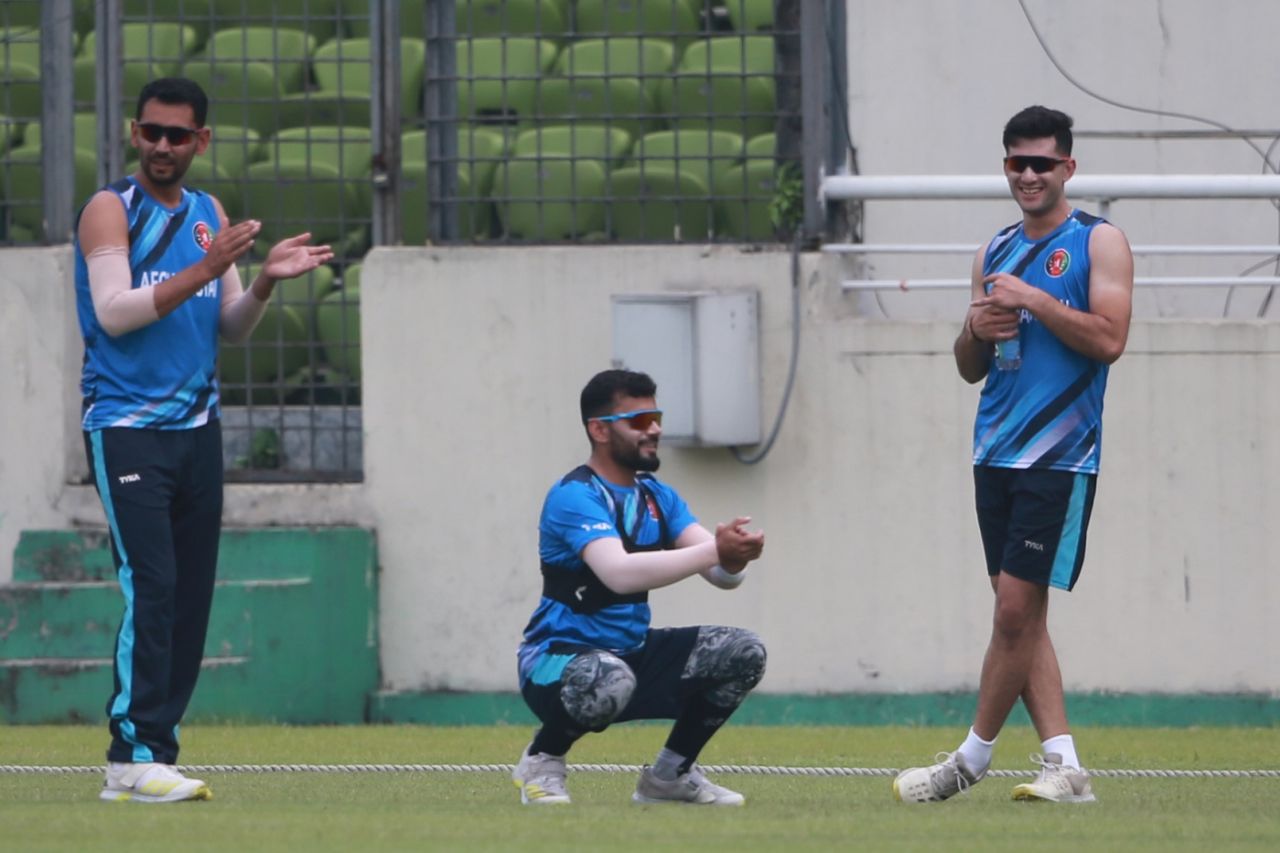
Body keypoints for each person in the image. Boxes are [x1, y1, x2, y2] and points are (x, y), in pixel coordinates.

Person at [74, 77, 334, 803]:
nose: (162, 146)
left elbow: (229, 326)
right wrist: (208, 268)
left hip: (197, 430)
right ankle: (127, 753)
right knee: (151, 583)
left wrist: (263, 283)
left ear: (201, 141)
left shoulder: (207, 214)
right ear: (134, 133)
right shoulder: (109, 209)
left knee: (187, 594)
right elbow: (115, 312)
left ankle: (156, 749)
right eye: (151, 132)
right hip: (127, 429)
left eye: (177, 135)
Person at [893, 106, 1134, 804]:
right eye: (1016, 163)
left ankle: (968, 760)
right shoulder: (992, 248)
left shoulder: (1100, 241)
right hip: (994, 451)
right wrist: (974, 326)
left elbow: (1110, 338)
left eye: (1042, 163)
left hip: (1059, 457)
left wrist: (1035, 299)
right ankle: (1066, 767)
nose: (1028, 175)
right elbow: (971, 366)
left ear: (1068, 168)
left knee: (1010, 613)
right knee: (1020, 615)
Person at [513, 369, 768, 806]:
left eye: (657, 417)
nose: (655, 429)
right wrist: (715, 552)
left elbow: (723, 576)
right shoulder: (575, 495)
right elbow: (619, 573)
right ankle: (542, 760)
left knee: (744, 651)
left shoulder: (657, 496)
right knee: (608, 676)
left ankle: (669, 778)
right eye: (639, 420)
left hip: (628, 656)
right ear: (599, 430)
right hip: (555, 664)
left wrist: (733, 555)